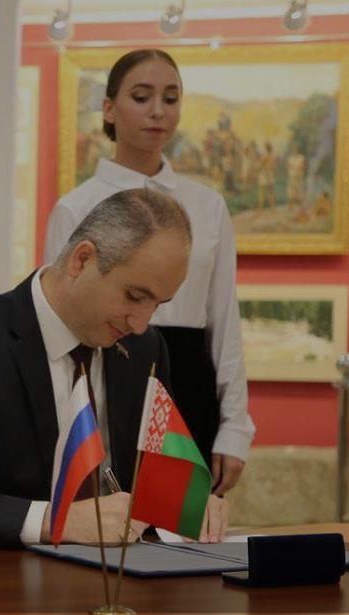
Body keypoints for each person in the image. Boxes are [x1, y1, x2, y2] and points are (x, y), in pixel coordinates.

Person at [0, 188, 229, 548]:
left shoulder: (144, 348)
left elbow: (155, 479)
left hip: (122, 576)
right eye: (134, 297)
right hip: (0, 576)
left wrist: (187, 503)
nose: (141, 323)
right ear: (82, 260)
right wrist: (54, 521)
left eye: (158, 304)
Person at [43, 49, 254, 496]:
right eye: (141, 97)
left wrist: (235, 425)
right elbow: (54, 315)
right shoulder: (76, 207)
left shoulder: (208, 206)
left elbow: (224, 319)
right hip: (102, 370)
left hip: (188, 378)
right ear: (109, 108)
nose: (158, 111)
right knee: (101, 520)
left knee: (181, 523)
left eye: (170, 98)